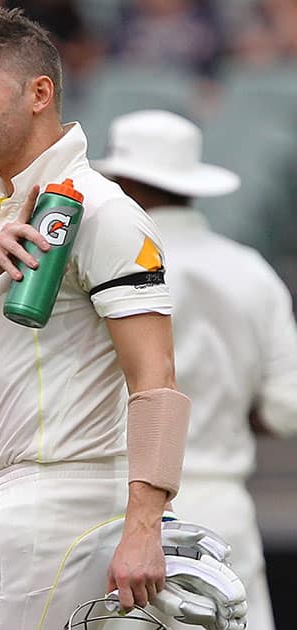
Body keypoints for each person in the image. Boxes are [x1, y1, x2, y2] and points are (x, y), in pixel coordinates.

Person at [0, 9, 189, 628]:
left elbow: (156, 382)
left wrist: (143, 530)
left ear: (39, 94)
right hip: (6, 503)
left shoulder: (103, 210)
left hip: (63, 502)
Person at [94, 108, 297, 630]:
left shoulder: (105, 266)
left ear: (125, 181)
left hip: (127, 510)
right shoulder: (252, 271)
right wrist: (226, 412)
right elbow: (287, 410)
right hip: (224, 509)